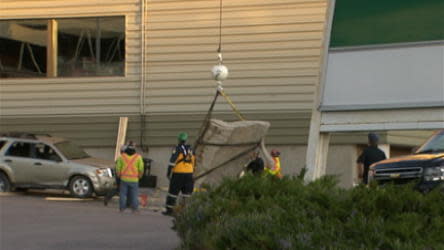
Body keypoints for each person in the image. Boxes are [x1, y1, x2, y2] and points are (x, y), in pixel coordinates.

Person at [163, 132, 195, 216]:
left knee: (173, 193)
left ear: (179, 140)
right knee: (187, 193)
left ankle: (169, 210)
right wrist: (192, 172)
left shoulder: (177, 149)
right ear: (186, 140)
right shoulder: (191, 150)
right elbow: (194, 161)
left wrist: (168, 173)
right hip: (189, 173)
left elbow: (172, 162)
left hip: (178, 173)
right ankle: (186, 211)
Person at [115, 142, 144, 212]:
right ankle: (134, 209)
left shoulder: (121, 157)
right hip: (134, 180)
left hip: (124, 179)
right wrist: (140, 176)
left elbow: (118, 168)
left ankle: (122, 208)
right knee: (134, 195)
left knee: (123, 195)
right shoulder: (138, 157)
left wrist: (118, 175)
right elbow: (141, 168)